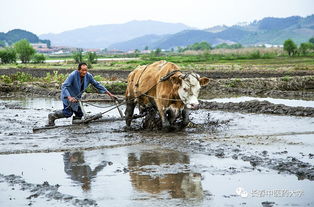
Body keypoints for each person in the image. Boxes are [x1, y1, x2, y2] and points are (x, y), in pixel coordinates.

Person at [47, 62, 117, 126]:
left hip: (77, 98)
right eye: (83, 70)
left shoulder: (88, 76)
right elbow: (64, 86)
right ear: (78, 70)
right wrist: (69, 97)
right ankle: (52, 116)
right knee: (68, 113)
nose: (84, 72)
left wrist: (109, 94)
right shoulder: (73, 75)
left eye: (86, 70)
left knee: (79, 113)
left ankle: (75, 126)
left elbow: (97, 84)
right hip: (68, 96)